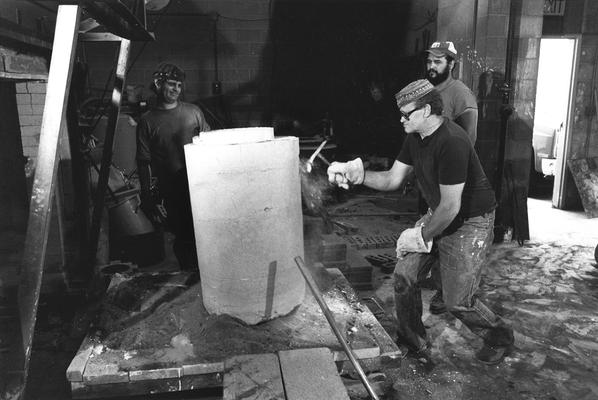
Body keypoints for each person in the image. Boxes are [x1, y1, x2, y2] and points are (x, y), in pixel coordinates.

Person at [327, 79, 514, 365]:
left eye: (406, 114)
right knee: (404, 277)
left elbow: (452, 207)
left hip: (469, 222)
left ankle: (499, 335)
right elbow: (392, 179)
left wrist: (419, 236)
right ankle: (413, 341)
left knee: (457, 302)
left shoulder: (452, 141)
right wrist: (359, 175)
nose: (400, 119)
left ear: (426, 110)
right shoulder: (414, 137)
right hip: (440, 210)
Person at [136, 63, 211, 271]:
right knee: (183, 236)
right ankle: (189, 278)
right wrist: (147, 196)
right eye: (171, 84)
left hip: (199, 184)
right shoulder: (147, 121)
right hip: (172, 189)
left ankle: (206, 276)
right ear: (159, 85)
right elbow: (143, 162)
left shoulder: (193, 112)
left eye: (179, 85)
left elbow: (210, 142)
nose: (176, 89)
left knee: (204, 233)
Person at [425, 41, 479, 313]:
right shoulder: (430, 92)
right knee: (437, 233)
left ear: (452, 64)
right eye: (430, 61)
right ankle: (440, 287)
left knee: (450, 235)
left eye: (438, 61)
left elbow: (467, 142)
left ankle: (455, 294)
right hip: (432, 178)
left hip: (451, 179)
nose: (432, 66)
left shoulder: (461, 95)